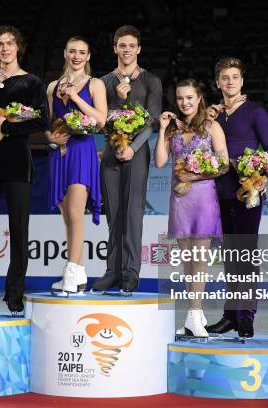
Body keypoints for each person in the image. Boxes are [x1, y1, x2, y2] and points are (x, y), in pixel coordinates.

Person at [0, 26, 48, 315]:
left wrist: (7, 126)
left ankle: (15, 294)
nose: (5, 48)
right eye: (0, 44)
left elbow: (41, 122)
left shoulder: (31, 82)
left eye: (10, 43)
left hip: (17, 164)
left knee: (19, 232)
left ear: (19, 47)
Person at [205, 57, 268, 338]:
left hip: (248, 192)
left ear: (242, 81)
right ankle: (230, 315)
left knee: (245, 254)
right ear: (218, 82)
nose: (230, 81)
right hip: (218, 191)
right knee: (229, 256)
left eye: (235, 76)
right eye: (225, 77)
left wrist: (255, 172)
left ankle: (246, 315)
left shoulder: (255, 111)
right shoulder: (213, 115)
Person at [155, 79, 228, 338]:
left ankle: (195, 314)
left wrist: (193, 176)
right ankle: (192, 315)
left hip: (204, 198)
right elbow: (161, 162)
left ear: (199, 98)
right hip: (180, 200)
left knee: (200, 260)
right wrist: (163, 128)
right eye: (179, 98)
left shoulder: (212, 127)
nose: (184, 103)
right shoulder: (173, 130)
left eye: (189, 97)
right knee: (188, 261)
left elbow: (223, 164)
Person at [94, 25, 162, 294]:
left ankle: (131, 273)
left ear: (138, 49)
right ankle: (112, 271)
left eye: (131, 45)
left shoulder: (150, 81)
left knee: (133, 214)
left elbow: (153, 120)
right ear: (115, 48)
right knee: (114, 214)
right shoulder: (103, 82)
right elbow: (99, 120)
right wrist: (117, 105)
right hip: (111, 152)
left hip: (137, 152)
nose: (126, 50)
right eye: (122, 45)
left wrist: (133, 147)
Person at [46, 36, 107, 295]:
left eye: (82, 52)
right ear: (65, 53)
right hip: (60, 152)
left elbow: (101, 120)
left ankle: (71, 272)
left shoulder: (95, 84)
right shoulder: (52, 86)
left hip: (82, 150)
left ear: (88, 56)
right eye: (72, 51)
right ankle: (78, 273)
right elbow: (49, 123)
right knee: (66, 216)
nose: (77, 56)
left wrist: (75, 97)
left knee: (75, 213)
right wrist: (50, 138)